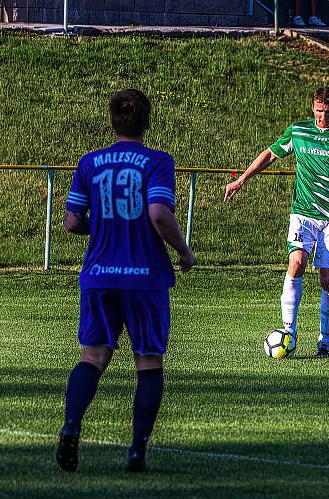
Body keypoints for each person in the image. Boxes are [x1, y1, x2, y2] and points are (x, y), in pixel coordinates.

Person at [57, 89, 195, 473]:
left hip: (98, 275)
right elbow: (158, 213)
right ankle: (137, 450)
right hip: (144, 278)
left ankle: (71, 426)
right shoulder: (157, 161)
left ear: (112, 120)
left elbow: (70, 222)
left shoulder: (90, 162)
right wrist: (184, 252)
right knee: (148, 363)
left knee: (92, 357)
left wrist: (102, 224)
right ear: (147, 121)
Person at [224, 87, 329, 358]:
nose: (322, 117)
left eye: (328, 112)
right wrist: (241, 179)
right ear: (312, 108)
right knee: (296, 264)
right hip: (303, 214)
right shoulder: (298, 131)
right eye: (319, 111)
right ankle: (289, 332)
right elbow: (270, 154)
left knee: (328, 279)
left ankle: (325, 340)